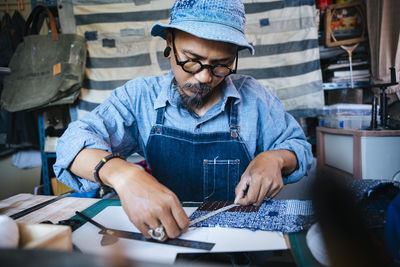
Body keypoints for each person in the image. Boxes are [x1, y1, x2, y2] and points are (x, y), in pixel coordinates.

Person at [54, 0, 313, 241]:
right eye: (192, 61)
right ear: (169, 42)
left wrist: (275, 159)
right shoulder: (139, 97)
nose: (203, 78)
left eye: (221, 65)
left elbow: (299, 148)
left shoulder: (255, 98)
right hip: (166, 239)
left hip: (238, 240)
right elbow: (71, 146)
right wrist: (124, 176)